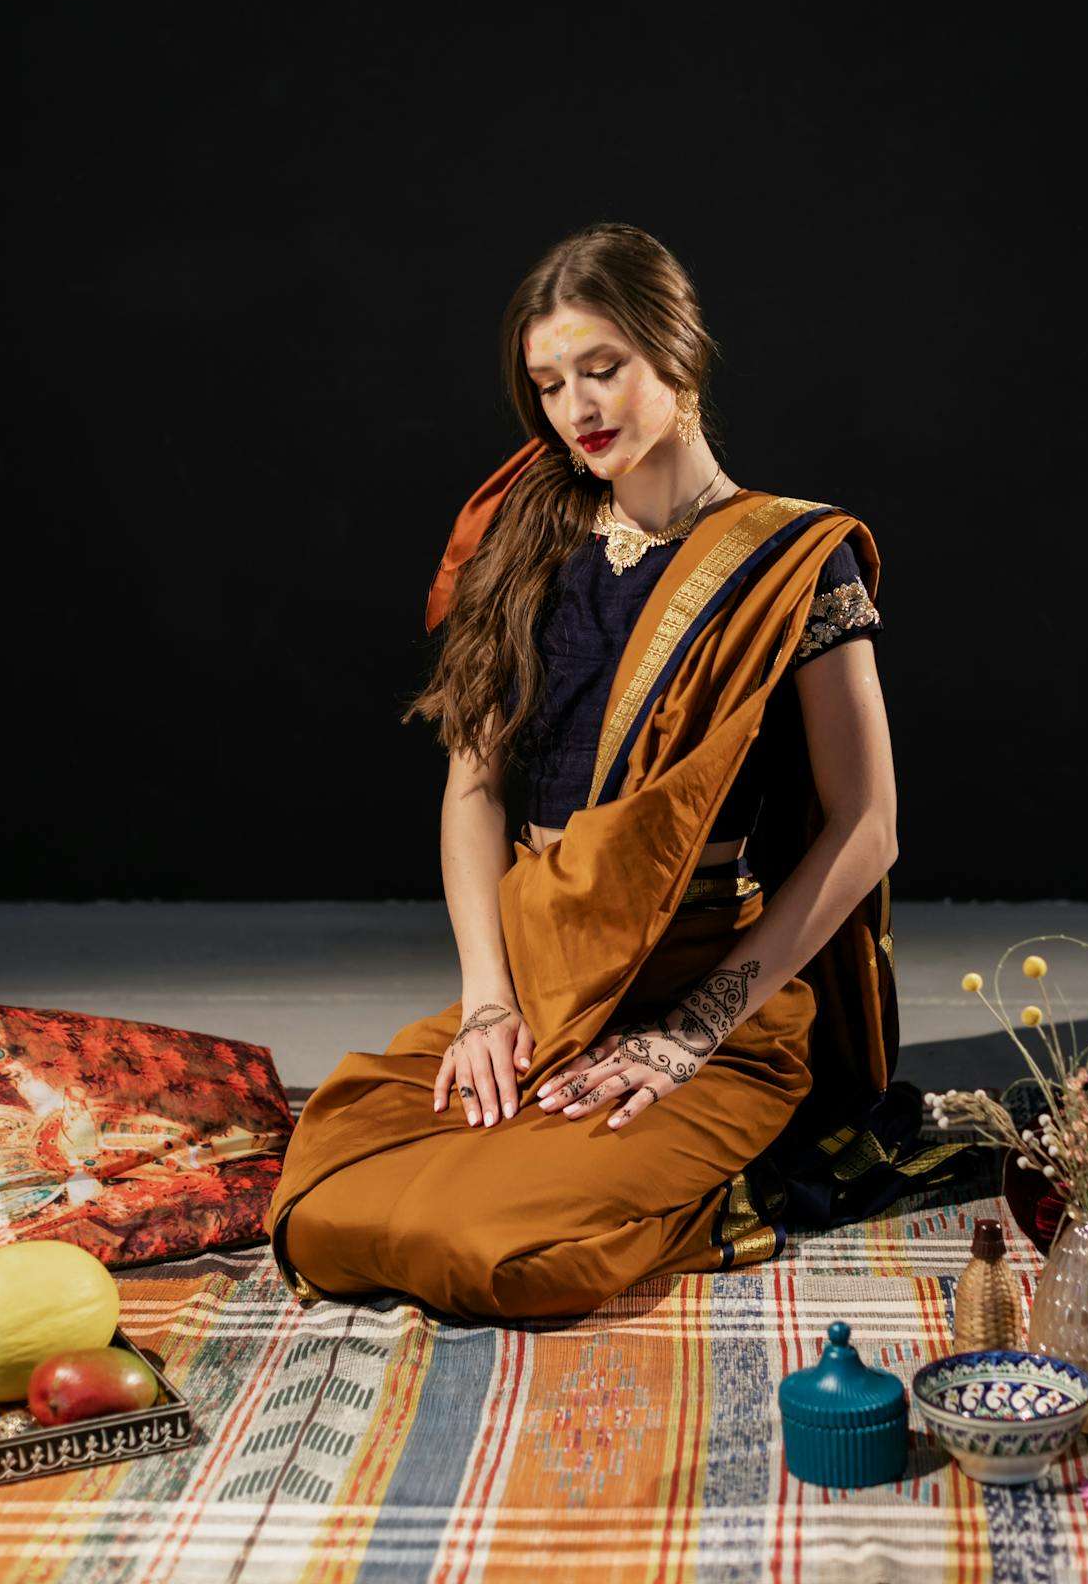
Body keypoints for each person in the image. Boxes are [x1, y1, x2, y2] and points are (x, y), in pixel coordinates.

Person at [265, 222, 919, 1321]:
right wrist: (483, 1004)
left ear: (677, 348)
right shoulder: (530, 538)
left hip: (710, 985)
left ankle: (741, 1184)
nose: (577, 407)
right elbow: (471, 789)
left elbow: (868, 826)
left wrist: (691, 1029)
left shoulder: (795, 556)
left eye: (601, 367)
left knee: (492, 1248)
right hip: (543, 983)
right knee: (325, 1200)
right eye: (550, 382)